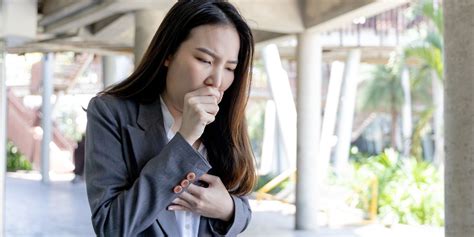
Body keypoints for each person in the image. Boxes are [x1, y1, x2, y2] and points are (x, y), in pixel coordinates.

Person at [84, 0, 257, 236]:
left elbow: (243, 207)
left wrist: (228, 209)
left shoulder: (225, 119)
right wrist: (185, 138)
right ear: (168, 53)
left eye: (229, 68)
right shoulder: (111, 113)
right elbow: (111, 226)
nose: (217, 81)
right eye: (205, 60)